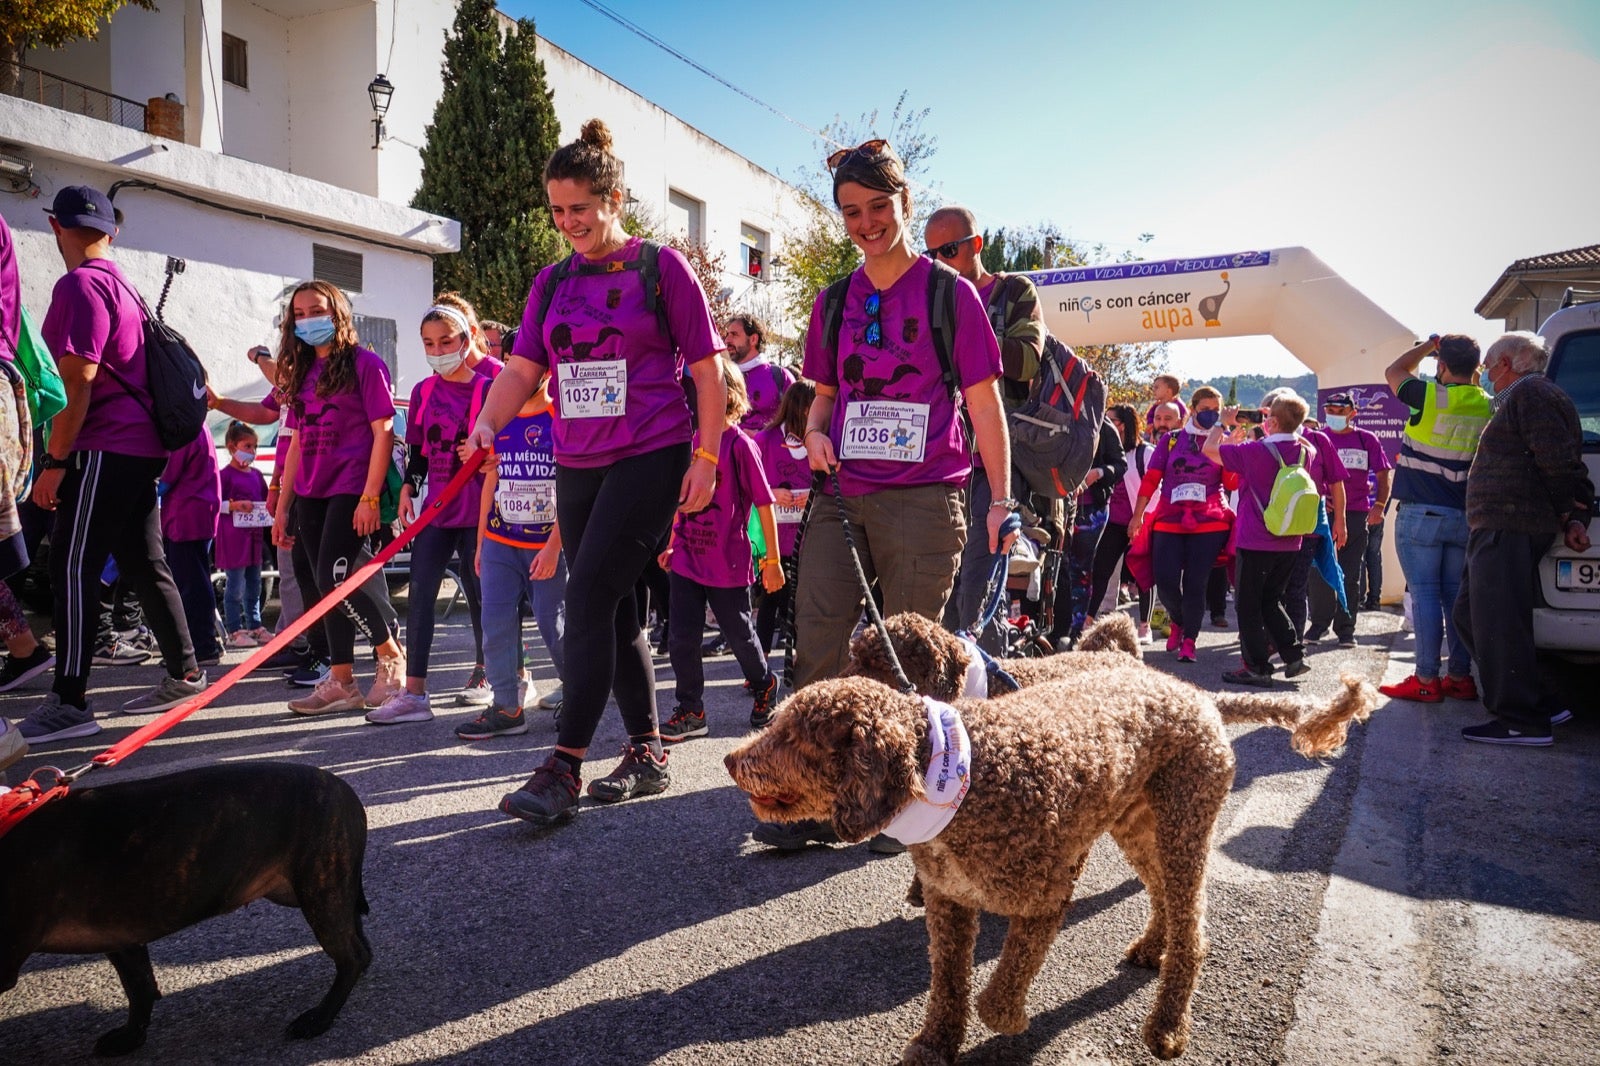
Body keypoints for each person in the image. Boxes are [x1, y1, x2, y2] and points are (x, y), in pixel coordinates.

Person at [469, 118, 727, 826]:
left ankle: (563, 767)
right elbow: (523, 367)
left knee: (584, 599)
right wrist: (489, 420)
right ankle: (647, 753)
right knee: (612, 609)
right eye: (557, 210)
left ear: (614, 200)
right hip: (577, 462)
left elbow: (706, 375)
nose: (568, 222)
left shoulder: (660, 268)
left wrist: (705, 458)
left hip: (651, 453)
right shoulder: (551, 283)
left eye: (579, 208)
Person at [758, 141, 1010, 855]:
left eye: (878, 207)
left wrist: (1000, 502)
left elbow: (985, 407)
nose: (866, 223)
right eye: (851, 212)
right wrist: (812, 434)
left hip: (927, 496)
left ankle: (901, 800)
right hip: (843, 494)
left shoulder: (948, 294)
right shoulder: (833, 301)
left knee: (907, 659)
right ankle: (804, 800)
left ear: (904, 202)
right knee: (818, 638)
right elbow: (822, 401)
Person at [19, 185, 208, 745]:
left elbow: (77, 378)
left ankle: (71, 701)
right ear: (113, 230)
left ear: (56, 226)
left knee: (73, 567)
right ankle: (185, 671)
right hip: (141, 449)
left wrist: (54, 460)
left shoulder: (79, 284)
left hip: (103, 446)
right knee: (144, 562)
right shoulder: (126, 285)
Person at [264, 280, 407, 715]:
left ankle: (390, 654)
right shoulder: (301, 373)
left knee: (336, 581)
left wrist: (369, 496)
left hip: (351, 487)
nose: (308, 320)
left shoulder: (365, 364)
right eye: (300, 314)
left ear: (338, 313)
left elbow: (384, 431)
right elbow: (296, 442)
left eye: (317, 310)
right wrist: (283, 507)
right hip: (310, 490)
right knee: (320, 583)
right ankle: (342, 681)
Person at [1454, 332, 1592, 745]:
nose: (1485, 377)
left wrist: (1569, 511)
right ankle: (1541, 702)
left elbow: (1557, 459)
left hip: (1510, 524)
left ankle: (1521, 719)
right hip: (1500, 525)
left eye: (1487, 368)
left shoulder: (1531, 393)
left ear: (1506, 364)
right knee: (1470, 614)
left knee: (1499, 622)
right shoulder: (1529, 395)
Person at [924, 205, 1044, 653]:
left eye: (949, 250)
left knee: (978, 585)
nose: (939, 260)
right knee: (943, 588)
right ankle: (956, 687)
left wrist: (970, 326)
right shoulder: (929, 295)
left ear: (976, 246)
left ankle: (989, 688)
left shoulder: (1014, 292)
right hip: (939, 461)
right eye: (931, 253)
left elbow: (1028, 360)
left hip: (991, 464)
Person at [366, 302, 492, 725]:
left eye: (446, 341)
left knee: (482, 597)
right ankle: (415, 693)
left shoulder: (489, 386)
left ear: (467, 339)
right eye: (428, 343)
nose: (438, 350)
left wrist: (483, 451)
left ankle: (493, 673)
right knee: (420, 592)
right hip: (437, 510)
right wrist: (407, 487)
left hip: (478, 509)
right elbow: (418, 449)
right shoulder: (422, 391)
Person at [658, 360, 784, 740]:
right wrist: (671, 543)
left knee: (740, 634)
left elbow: (765, 505)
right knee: (682, 637)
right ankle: (691, 709)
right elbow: (683, 501)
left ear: (725, 395)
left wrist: (773, 561)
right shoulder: (690, 443)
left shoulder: (741, 445)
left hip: (727, 563)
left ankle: (764, 685)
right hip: (687, 561)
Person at [1378, 334, 1489, 703]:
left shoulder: (1430, 395)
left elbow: (1394, 371)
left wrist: (1428, 346)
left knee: (1425, 595)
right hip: (1463, 514)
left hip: (1421, 512)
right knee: (1455, 598)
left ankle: (1426, 678)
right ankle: (1460, 677)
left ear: (1441, 366)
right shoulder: (1487, 404)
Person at [456, 373, 564, 739]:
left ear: (546, 372)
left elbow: (571, 488)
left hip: (546, 545)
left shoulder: (559, 419)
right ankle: (506, 706)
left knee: (554, 624)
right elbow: (492, 479)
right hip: (501, 540)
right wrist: (482, 540)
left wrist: (554, 547)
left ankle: (578, 693)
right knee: (495, 623)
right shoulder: (498, 419)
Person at [1204, 394, 1315, 686]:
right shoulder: (1305, 451)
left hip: (1256, 539)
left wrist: (1222, 422)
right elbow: (1300, 436)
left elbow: (1209, 449)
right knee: (1271, 600)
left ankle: (1256, 667)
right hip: (1291, 540)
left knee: (1248, 604)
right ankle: (1293, 656)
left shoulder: (1253, 452)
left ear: (1273, 421)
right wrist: (1282, 418)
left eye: (1267, 418)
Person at [1129, 387, 1236, 663]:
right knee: (1164, 580)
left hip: (1209, 522)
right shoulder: (1172, 440)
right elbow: (1151, 478)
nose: (1211, 414)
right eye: (1205, 409)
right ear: (1193, 409)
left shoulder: (1221, 440)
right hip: (1169, 518)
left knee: (1195, 583)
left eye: (1216, 409)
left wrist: (1234, 452)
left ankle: (1190, 640)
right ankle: (1178, 621)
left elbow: (1232, 483)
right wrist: (1138, 515)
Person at [1259, 387, 1348, 643]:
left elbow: (1336, 482)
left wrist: (1340, 521)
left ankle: (1293, 644)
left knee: (1296, 588)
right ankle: (1273, 640)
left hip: (1306, 527)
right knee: (1272, 589)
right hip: (1270, 528)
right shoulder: (1261, 442)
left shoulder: (1318, 440)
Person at [1306, 391, 1392, 647]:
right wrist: (1322, 494)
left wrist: (1379, 505)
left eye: (1340, 411)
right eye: (1329, 411)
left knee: (1350, 573)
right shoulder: (1316, 439)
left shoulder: (1367, 439)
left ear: (1352, 413)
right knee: (1318, 571)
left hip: (1356, 513)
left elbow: (1383, 474)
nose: (1333, 416)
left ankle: (1345, 629)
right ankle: (1318, 625)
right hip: (1322, 513)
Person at [1048, 412, 1125, 650]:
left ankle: (1076, 631)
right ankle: (1054, 628)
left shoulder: (1102, 422)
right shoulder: (1051, 412)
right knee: (1054, 567)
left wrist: (1098, 473)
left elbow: (1119, 464)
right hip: (1053, 504)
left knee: (1080, 569)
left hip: (1090, 507)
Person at [752, 378, 816, 656]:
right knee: (771, 596)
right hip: (774, 536)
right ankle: (760, 662)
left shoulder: (819, 437)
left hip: (809, 534)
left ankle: (803, 656)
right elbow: (750, 482)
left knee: (804, 597)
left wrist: (812, 494)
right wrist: (773, 493)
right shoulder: (765, 440)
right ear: (802, 409)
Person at [159, 425, 224, 667]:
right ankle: (205, 643)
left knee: (190, 585)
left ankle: (201, 647)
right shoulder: (198, 426)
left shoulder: (186, 429)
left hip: (186, 515)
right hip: (195, 513)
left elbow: (165, 476)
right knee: (196, 580)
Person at [1090, 403, 1154, 643]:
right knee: (1102, 571)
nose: (1104, 426)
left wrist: (1140, 517)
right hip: (1113, 522)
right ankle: (1090, 620)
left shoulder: (1144, 453)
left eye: (1110, 421)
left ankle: (1144, 627)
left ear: (1123, 425)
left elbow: (1156, 487)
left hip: (1142, 521)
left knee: (1144, 573)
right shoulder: (1104, 451)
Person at [218, 421, 271, 647]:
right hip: (233, 540)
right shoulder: (224, 475)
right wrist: (234, 506)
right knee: (235, 585)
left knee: (254, 584)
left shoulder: (257, 475)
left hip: (254, 539)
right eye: (247, 446)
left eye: (254, 447)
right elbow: (214, 503)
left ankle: (254, 625)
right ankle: (234, 629)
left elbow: (267, 501)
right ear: (232, 447)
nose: (252, 452)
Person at [723, 314, 794, 433]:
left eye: (734, 334)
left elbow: (798, 421)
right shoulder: (722, 378)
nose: (727, 340)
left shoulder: (780, 376)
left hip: (772, 451)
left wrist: (761, 437)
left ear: (753, 339)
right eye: (727, 335)